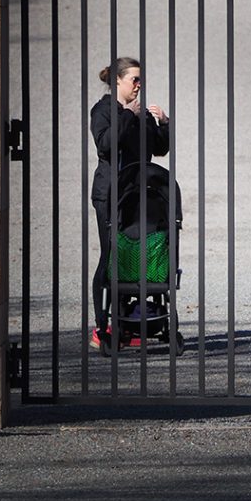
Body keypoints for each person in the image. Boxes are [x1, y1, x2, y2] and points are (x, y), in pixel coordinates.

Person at [90, 57, 169, 349]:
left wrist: (164, 123)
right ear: (117, 82)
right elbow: (106, 145)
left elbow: (159, 149)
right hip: (110, 195)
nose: (139, 85)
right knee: (111, 256)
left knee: (132, 254)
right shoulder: (103, 111)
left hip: (137, 194)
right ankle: (101, 328)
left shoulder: (139, 112)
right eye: (134, 79)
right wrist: (126, 115)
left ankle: (125, 324)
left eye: (140, 80)